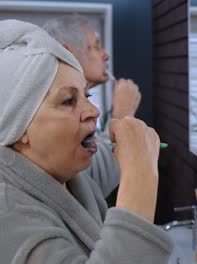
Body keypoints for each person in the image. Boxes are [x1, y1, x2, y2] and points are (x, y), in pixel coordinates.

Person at [0, 19, 172, 263]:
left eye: (87, 95)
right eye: (69, 101)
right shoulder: (6, 212)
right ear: (19, 125)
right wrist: (140, 175)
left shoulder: (76, 182)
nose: (94, 111)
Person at [42, 15, 142, 197]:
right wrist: (123, 115)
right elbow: (92, 180)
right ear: (68, 53)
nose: (106, 54)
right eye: (95, 46)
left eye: (87, 96)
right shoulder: (51, 108)